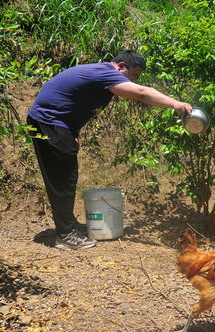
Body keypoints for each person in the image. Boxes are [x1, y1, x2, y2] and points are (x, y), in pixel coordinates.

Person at [27, 50, 192, 250]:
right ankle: (65, 234)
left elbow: (74, 102)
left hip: (56, 124)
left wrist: (73, 132)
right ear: (121, 66)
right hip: (49, 123)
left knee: (66, 177)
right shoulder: (106, 73)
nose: (133, 81)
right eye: (134, 75)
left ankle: (67, 226)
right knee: (62, 179)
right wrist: (175, 103)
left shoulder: (100, 75)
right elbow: (141, 92)